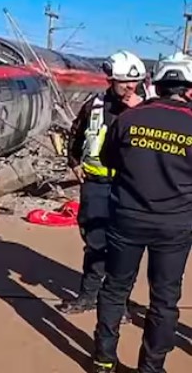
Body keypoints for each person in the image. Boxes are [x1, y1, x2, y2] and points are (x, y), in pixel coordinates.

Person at [91, 52, 192, 373]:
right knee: (163, 301)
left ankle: (104, 359)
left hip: (127, 219)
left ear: (156, 85)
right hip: (175, 225)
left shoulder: (128, 119)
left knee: (115, 288)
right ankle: (151, 368)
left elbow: (108, 160)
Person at [59, 50, 146, 316]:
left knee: (125, 248)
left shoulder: (147, 109)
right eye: (125, 82)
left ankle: (118, 303)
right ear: (111, 80)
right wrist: (73, 162)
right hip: (96, 185)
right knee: (95, 243)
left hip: (129, 189)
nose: (131, 87)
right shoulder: (93, 105)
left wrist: (140, 111)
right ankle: (88, 296)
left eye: (136, 82)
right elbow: (76, 133)